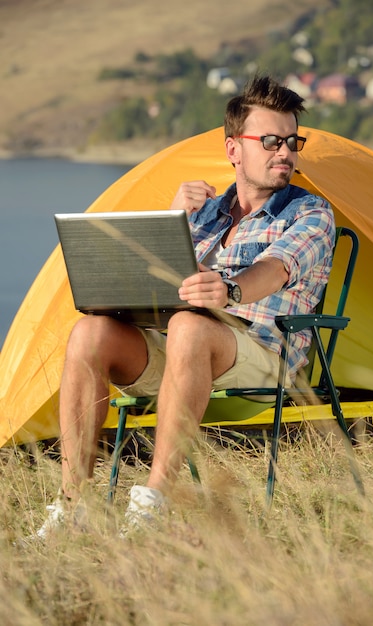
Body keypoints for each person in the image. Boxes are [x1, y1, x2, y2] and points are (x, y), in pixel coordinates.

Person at [37, 74, 335, 539]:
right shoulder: (205, 212)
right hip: (181, 348)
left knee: (190, 327)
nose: (286, 152)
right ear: (234, 149)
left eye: (293, 141)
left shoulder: (309, 213)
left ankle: (154, 500)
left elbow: (276, 268)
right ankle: (74, 504)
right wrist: (173, 220)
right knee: (90, 333)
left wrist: (230, 291)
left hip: (261, 354)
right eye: (272, 140)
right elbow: (155, 285)